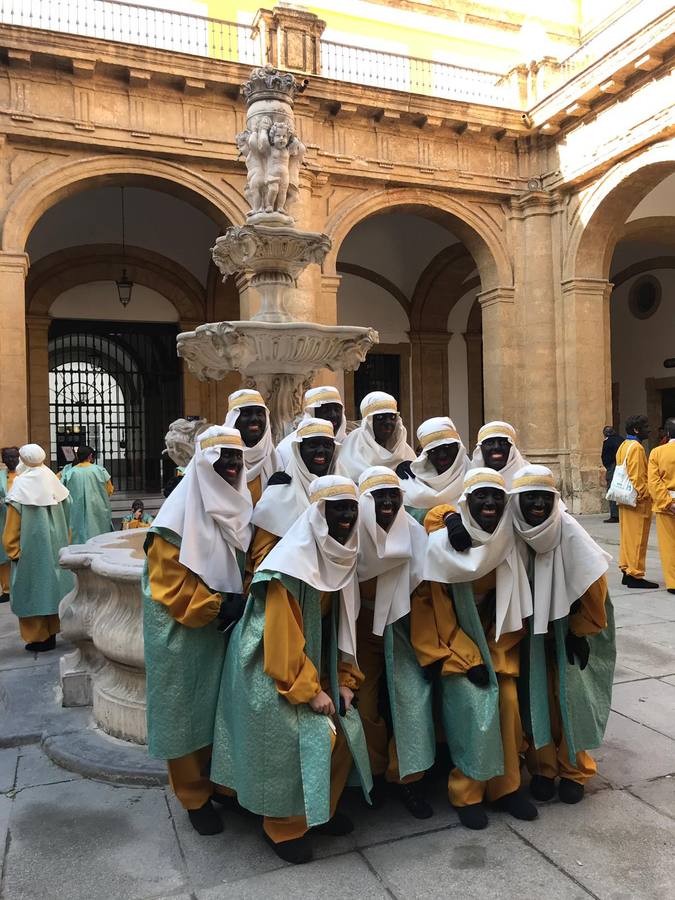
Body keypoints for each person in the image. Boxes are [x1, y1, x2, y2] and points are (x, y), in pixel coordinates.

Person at [211, 475, 372, 865]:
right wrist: (309, 691)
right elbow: (280, 643)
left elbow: (342, 627)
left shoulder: (341, 556)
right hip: (270, 673)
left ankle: (321, 808)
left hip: (308, 667)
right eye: (338, 509)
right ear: (318, 515)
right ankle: (282, 825)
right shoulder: (286, 567)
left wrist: (344, 681)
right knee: (300, 735)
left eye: (351, 508)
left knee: (347, 725)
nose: (347, 516)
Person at [142, 426, 253, 835]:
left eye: (235, 459)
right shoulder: (173, 519)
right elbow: (170, 586)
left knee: (222, 711)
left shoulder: (240, 506)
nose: (230, 466)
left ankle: (224, 785)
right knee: (187, 715)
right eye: (221, 458)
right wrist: (220, 605)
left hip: (220, 627)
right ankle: (193, 795)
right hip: (184, 633)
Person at [412, 468, 536, 830]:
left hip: (497, 643)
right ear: (466, 502)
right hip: (454, 647)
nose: (489, 503)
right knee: (475, 702)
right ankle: (466, 791)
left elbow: (511, 604)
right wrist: (467, 659)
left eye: (496, 497)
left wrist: (496, 655)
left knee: (508, 701)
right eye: (480, 496)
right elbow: (435, 610)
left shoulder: (508, 541)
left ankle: (506, 787)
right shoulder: (441, 545)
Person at [511, 465, 615, 804]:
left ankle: (575, 769)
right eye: (530, 498)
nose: (537, 504)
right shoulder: (513, 531)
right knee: (536, 696)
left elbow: (594, 585)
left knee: (570, 699)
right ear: (518, 501)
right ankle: (542, 768)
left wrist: (580, 631)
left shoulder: (568, 530)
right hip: (533, 630)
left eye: (544, 497)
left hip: (572, 628)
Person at [356, 467, 434, 819]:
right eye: (378, 495)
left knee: (410, 700)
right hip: (358, 629)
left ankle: (410, 778)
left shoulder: (415, 534)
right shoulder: (349, 532)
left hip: (402, 627)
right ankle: (370, 775)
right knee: (364, 703)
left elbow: (426, 592)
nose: (387, 502)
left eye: (393, 494)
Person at [2, 444, 73, 652]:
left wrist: (12, 550)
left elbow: (12, 526)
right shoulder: (53, 479)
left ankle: (39, 636)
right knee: (53, 588)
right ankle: (52, 631)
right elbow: (67, 511)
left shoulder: (21, 484)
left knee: (32, 591)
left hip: (30, 551)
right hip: (56, 546)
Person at [249, 418, 338, 571]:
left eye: (327, 445)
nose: (321, 451)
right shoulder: (276, 495)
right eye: (313, 445)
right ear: (299, 449)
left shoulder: (344, 488)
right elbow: (262, 555)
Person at [397, 417, 469, 524]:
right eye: (434, 450)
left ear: (458, 447)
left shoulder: (475, 476)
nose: (442, 455)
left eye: (447, 447)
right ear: (426, 454)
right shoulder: (409, 482)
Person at [616, 415, 658, 589]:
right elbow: (637, 476)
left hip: (624, 498)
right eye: (645, 426)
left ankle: (627, 569)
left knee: (627, 536)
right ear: (636, 429)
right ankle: (635, 573)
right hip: (636, 500)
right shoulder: (637, 448)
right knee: (638, 537)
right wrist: (646, 495)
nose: (649, 430)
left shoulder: (624, 445)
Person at [337, 391, 415, 483]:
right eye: (380, 417)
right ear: (368, 422)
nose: (388, 423)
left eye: (392, 417)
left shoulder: (406, 453)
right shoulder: (349, 449)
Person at [223, 389, 278, 506]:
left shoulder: (275, 458)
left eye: (259, 413)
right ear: (234, 419)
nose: (254, 419)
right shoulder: (217, 453)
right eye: (247, 414)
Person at [276, 385, 347, 468]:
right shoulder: (287, 448)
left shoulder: (351, 445)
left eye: (337, 410)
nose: (333, 415)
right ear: (312, 413)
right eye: (326, 410)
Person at [61, 446, 114, 543]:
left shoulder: (69, 473)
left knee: (78, 533)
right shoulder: (100, 470)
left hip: (76, 509)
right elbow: (109, 490)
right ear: (90, 456)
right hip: (98, 507)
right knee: (99, 533)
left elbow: (62, 491)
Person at [647, 417, 675, 595]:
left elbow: (654, 481)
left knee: (669, 544)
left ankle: (673, 582)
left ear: (667, 433)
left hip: (667, 505)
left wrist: (666, 502)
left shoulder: (657, 453)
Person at [469, 421, 527, 489]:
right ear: (480, 448)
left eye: (503, 443)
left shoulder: (528, 475)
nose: (497, 447)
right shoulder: (469, 477)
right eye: (490, 443)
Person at [0, 446, 20, 603]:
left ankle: (22, 586)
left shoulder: (25, 475)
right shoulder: (1, 476)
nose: (11, 460)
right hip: (3, 521)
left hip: (24, 522)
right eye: (7, 457)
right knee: (4, 555)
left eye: (14, 456)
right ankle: (6, 589)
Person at [602, 426, 623, 523]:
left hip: (613, 466)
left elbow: (605, 457)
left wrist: (608, 467)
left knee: (612, 489)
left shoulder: (608, 442)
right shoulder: (621, 440)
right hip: (623, 466)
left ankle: (615, 515)